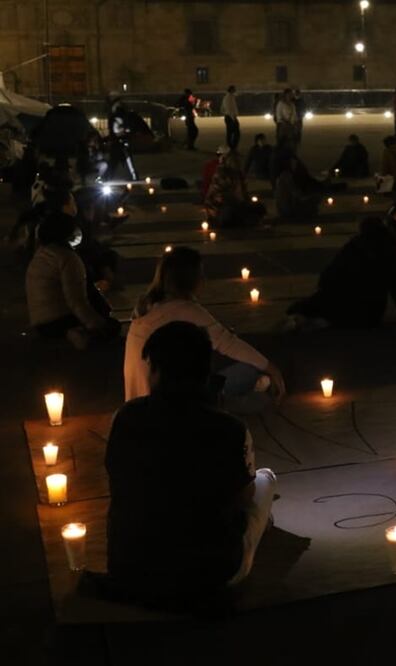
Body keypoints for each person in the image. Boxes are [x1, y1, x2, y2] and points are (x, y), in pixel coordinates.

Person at [107, 321, 278, 608]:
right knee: (265, 479)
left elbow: (118, 478)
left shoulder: (126, 417)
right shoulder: (229, 428)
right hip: (210, 576)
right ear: (205, 371)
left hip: (131, 570)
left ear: (157, 371)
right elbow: (244, 498)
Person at [124, 247, 284, 402]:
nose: (204, 279)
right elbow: (229, 344)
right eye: (200, 274)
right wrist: (271, 368)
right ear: (190, 279)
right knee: (248, 371)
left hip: (137, 403)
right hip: (170, 406)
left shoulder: (147, 305)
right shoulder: (185, 310)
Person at [287, 218, 396, 330]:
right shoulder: (387, 249)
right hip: (370, 313)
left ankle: (308, 311)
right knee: (323, 304)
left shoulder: (355, 246)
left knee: (319, 304)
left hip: (355, 307)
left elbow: (326, 279)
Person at [25, 211, 119, 348]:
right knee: (112, 325)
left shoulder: (42, 254)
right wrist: (97, 324)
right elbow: (76, 299)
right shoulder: (67, 258)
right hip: (60, 319)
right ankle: (78, 334)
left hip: (41, 324)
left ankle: (73, 332)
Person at [205, 151, 266, 228]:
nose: (237, 164)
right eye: (234, 161)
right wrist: (235, 200)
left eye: (238, 161)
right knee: (231, 214)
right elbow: (217, 196)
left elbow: (244, 193)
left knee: (258, 208)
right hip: (220, 208)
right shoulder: (222, 174)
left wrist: (247, 201)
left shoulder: (239, 175)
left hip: (237, 204)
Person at [275, 153, 321, 221]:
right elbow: (296, 193)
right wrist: (309, 198)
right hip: (288, 210)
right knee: (315, 200)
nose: (295, 165)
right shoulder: (286, 176)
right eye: (293, 163)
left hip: (283, 209)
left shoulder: (282, 176)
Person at [222, 85, 240, 150]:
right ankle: (232, 146)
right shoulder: (229, 98)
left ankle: (231, 146)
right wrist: (233, 118)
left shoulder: (230, 97)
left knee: (231, 133)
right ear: (231, 90)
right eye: (234, 89)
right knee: (234, 133)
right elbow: (229, 109)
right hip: (230, 117)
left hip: (230, 116)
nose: (235, 90)